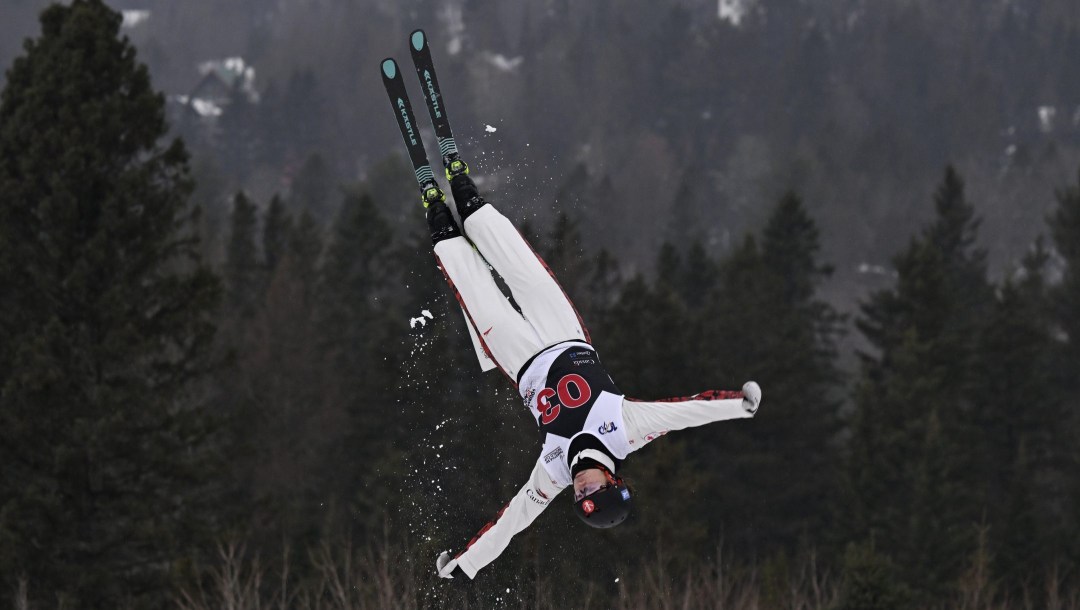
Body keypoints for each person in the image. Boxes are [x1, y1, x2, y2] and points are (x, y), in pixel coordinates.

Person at [426, 159, 761, 581]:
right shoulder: (627, 430)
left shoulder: (552, 473)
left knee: (477, 290)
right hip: (563, 333)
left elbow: (513, 522)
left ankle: (440, 221)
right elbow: (685, 412)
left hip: (520, 358)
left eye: (580, 495)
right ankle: (468, 198)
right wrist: (740, 405)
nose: (582, 487)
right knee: (519, 267)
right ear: (612, 479)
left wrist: (464, 565)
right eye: (593, 490)